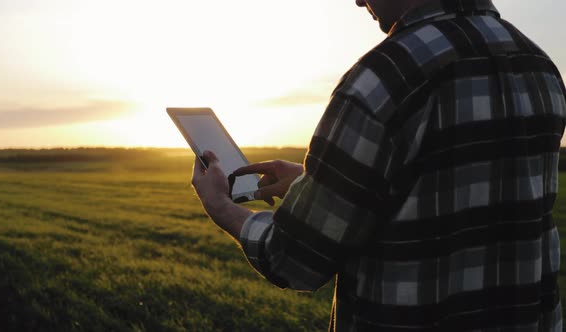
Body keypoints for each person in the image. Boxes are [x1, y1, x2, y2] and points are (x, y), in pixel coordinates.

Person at [191, 0, 566, 330]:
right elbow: (457, 192)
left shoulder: (384, 77)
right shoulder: (539, 66)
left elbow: (293, 258)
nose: (357, 1)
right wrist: (315, 184)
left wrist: (221, 206)